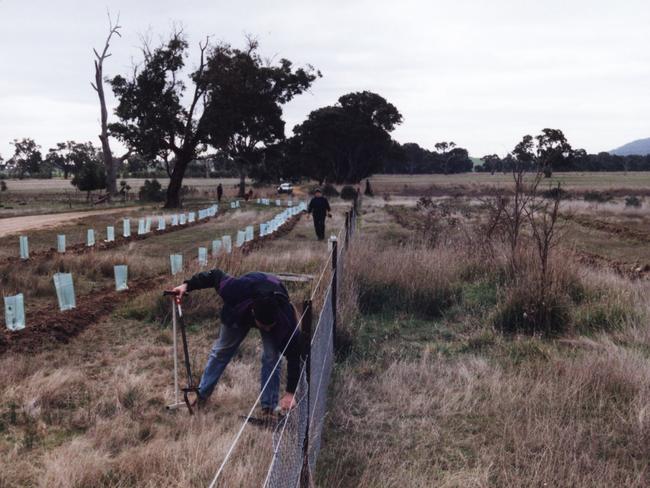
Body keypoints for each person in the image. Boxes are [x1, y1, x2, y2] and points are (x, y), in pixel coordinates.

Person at [171, 269, 301, 414]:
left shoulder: (284, 317)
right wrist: (186, 286)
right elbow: (215, 275)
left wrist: (290, 393)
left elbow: (295, 354)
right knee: (221, 350)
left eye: (271, 327)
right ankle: (202, 396)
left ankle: (268, 408)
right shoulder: (234, 289)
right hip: (239, 310)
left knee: (271, 357)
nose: (268, 330)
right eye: (264, 327)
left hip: (272, 293)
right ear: (254, 314)